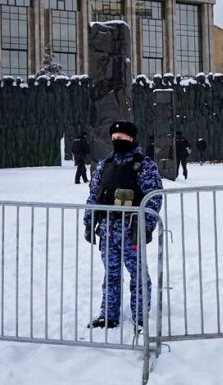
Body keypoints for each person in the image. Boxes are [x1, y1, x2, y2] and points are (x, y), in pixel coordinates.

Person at [83, 121, 163, 330]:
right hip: (108, 230)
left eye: (123, 137)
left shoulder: (143, 165)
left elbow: (153, 198)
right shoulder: (105, 165)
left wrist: (147, 227)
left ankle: (140, 317)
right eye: (115, 137)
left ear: (132, 139)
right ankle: (108, 315)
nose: (119, 141)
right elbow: (94, 196)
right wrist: (89, 223)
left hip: (131, 231)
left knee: (138, 275)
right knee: (111, 275)